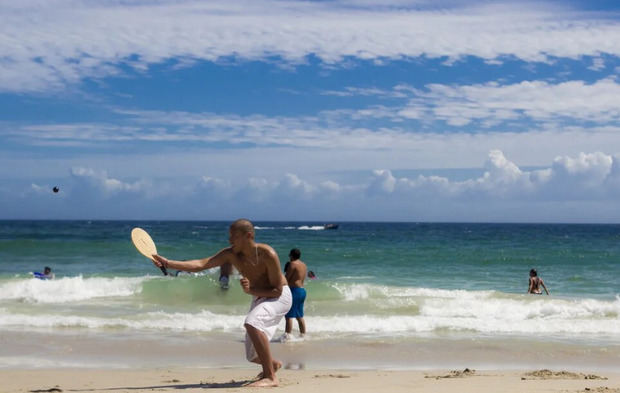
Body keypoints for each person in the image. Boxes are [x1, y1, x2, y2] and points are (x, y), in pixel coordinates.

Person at [152, 219, 291, 387]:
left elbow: (277, 290)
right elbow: (201, 264)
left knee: (252, 322)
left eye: (234, 236)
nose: (230, 240)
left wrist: (250, 291)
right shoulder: (230, 254)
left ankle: (270, 378)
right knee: (252, 355)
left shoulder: (267, 254)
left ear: (249, 236)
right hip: (259, 297)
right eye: (230, 236)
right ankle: (273, 365)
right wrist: (167, 263)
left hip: (280, 297)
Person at [283, 248, 307, 339]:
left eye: (289, 255)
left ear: (292, 255)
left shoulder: (292, 264)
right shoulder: (304, 265)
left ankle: (287, 337)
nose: (289, 257)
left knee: (288, 316)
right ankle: (303, 335)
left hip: (294, 291)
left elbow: (286, 279)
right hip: (302, 290)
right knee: (299, 315)